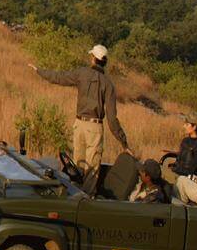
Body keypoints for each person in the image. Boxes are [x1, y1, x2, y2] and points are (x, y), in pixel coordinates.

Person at [30, 44, 131, 174]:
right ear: (104, 62)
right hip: (95, 129)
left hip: (79, 125)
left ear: (93, 58)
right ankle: (87, 193)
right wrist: (124, 143)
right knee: (92, 170)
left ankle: (76, 192)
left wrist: (39, 71)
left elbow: (59, 77)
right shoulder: (108, 84)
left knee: (78, 167)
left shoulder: (81, 73)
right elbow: (112, 119)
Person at [162, 112, 197, 185]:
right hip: (176, 173)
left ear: (194, 127)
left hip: (184, 179)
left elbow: (191, 170)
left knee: (154, 173)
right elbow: (179, 161)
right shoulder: (185, 141)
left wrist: (173, 169)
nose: (184, 126)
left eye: (187, 124)